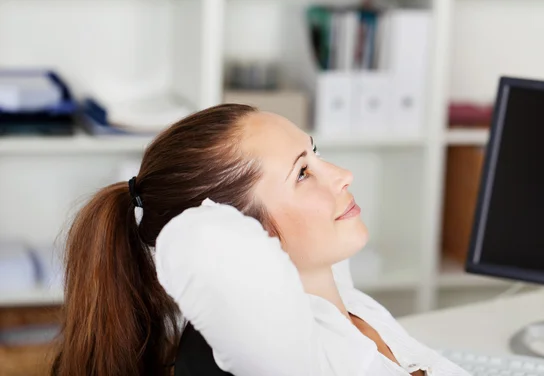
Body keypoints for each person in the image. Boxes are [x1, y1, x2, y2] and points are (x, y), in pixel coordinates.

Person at [51, 104, 469, 376]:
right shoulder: (293, 359)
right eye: (303, 174)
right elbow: (202, 241)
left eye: (315, 153)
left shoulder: (348, 305)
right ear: (245, 231)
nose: (344, 174)